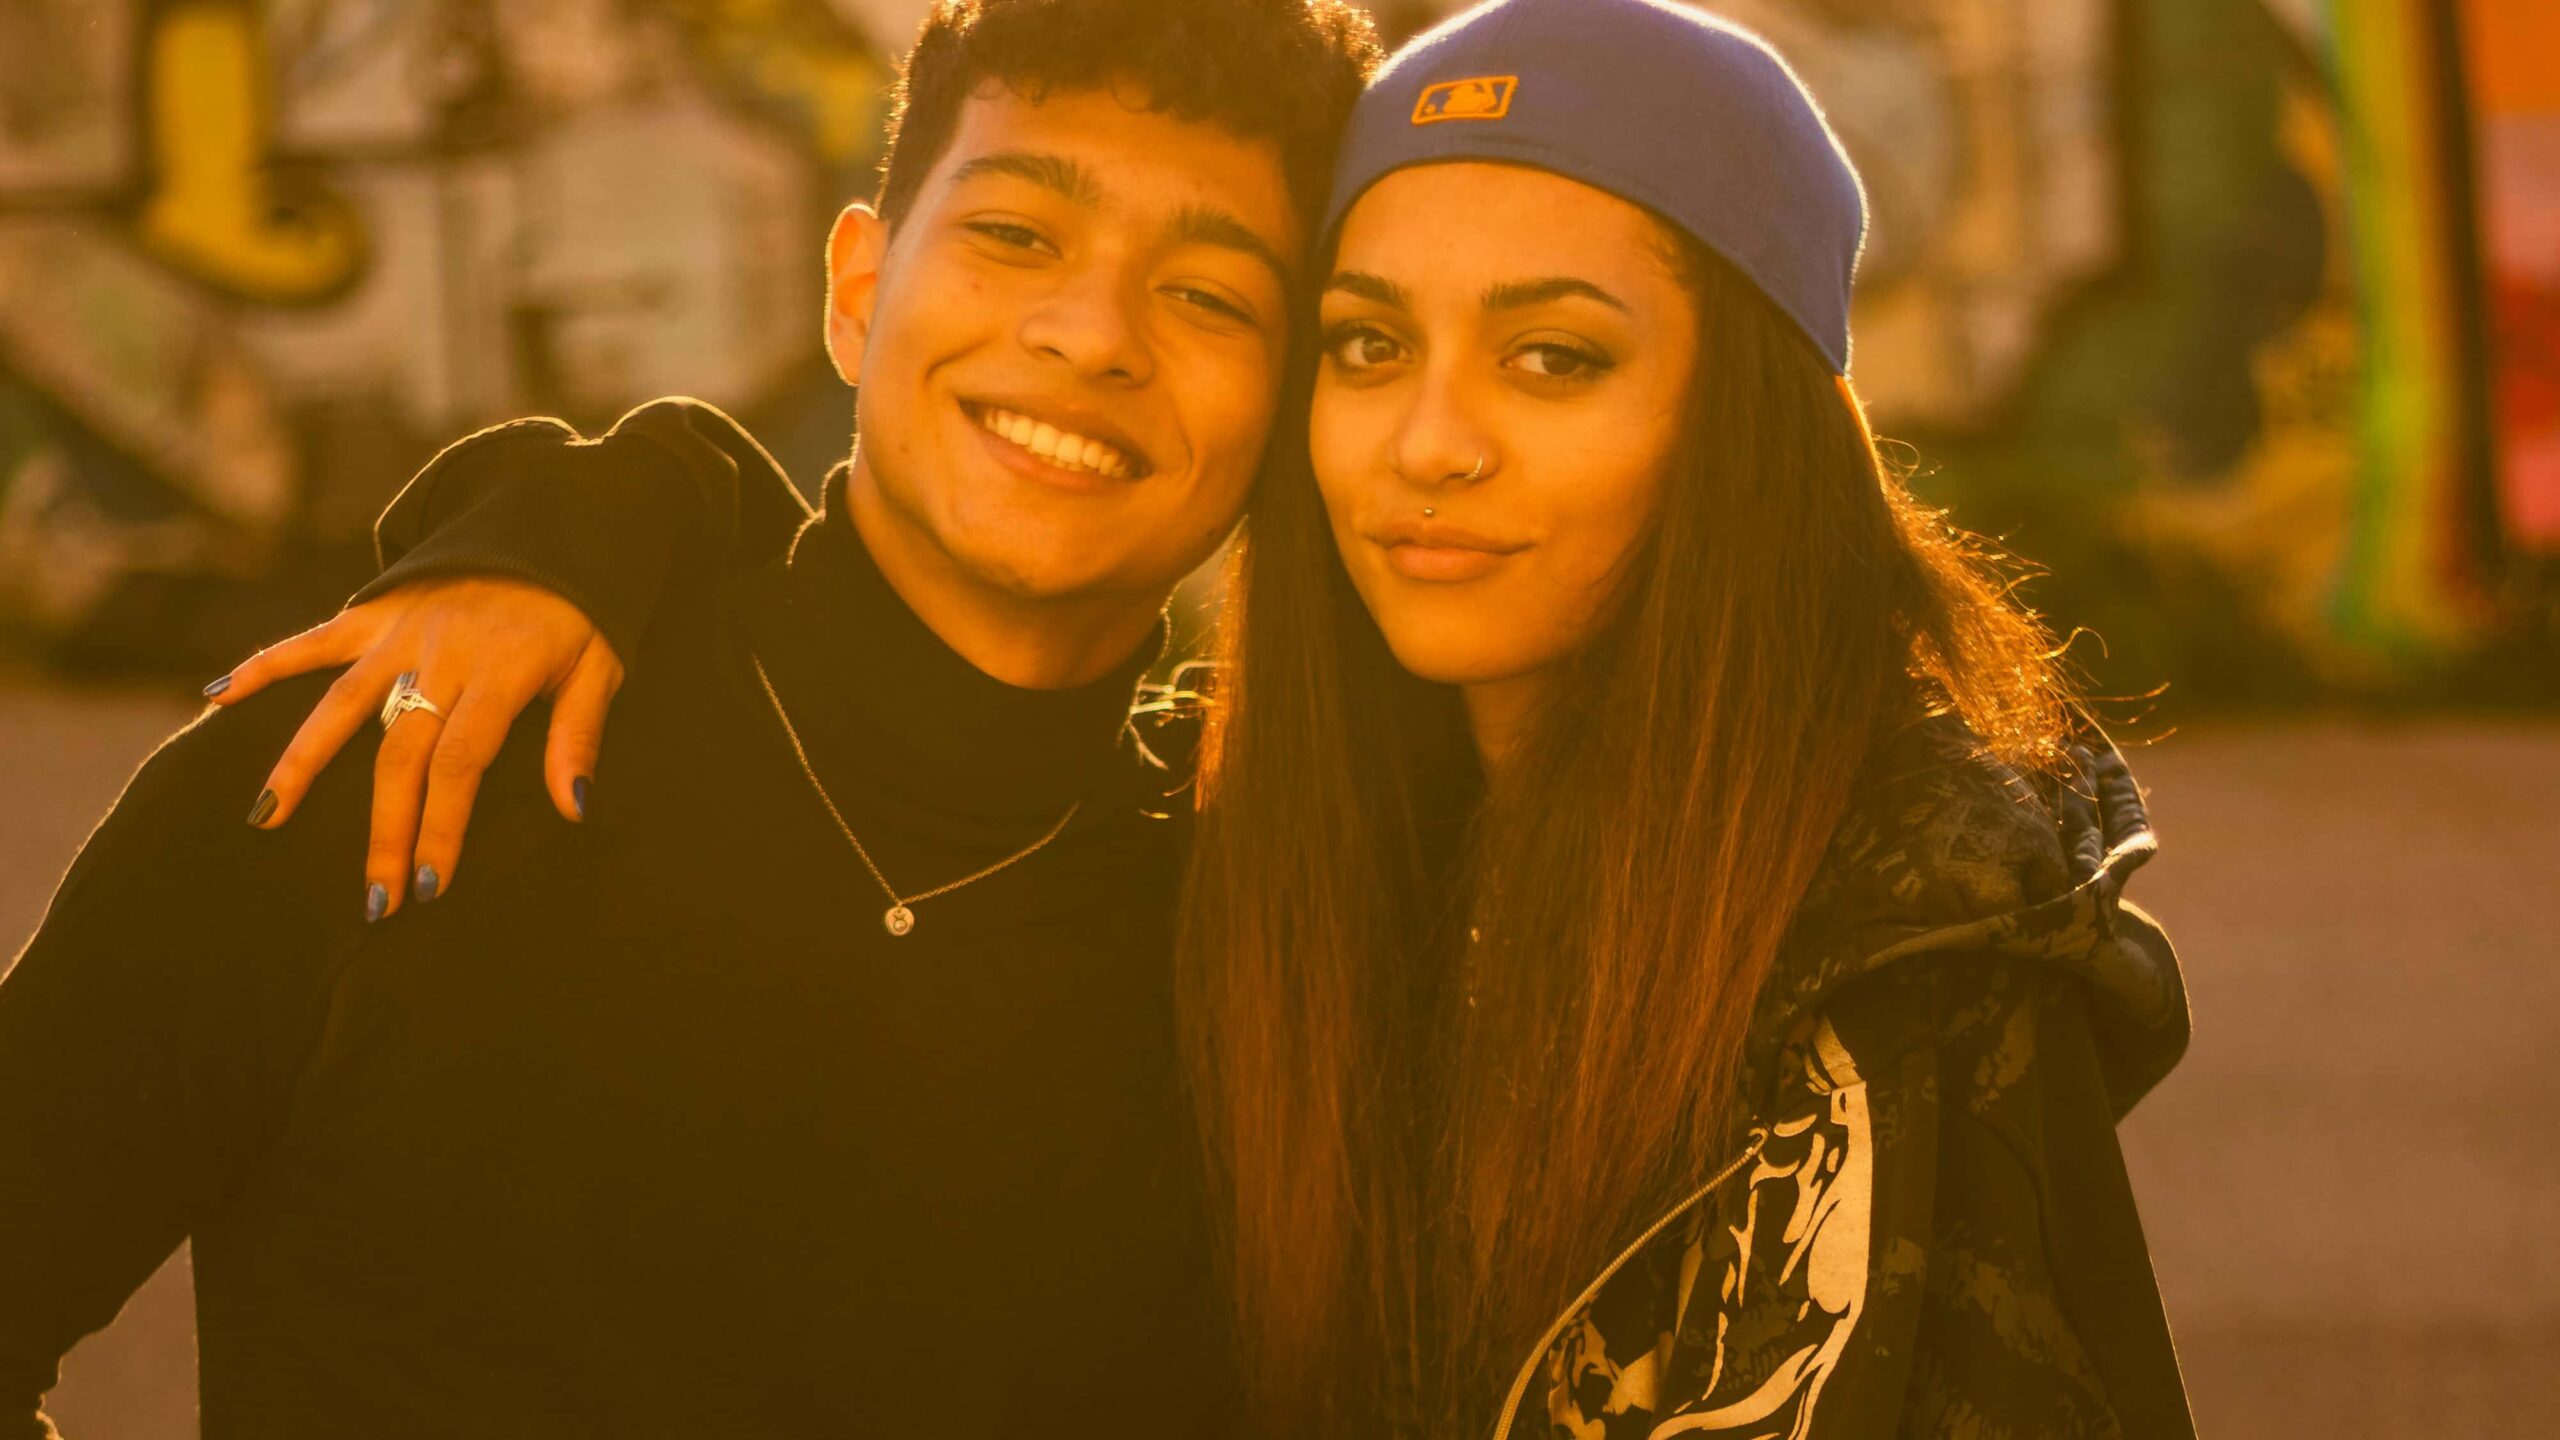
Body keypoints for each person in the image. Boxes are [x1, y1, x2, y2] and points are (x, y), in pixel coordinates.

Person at [198, 1, 2202, 1436]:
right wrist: (595, 506)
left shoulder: (1896, 974)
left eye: (1554, 357)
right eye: (1360, 343)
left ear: (1740, 433)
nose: (1427, 444)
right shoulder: (1253, 871)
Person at [0, 2, 1378, 1435]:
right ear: (856, 291)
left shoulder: (1274, 953)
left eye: (1212, 297)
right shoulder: (416, 745)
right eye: (1017, 234)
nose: (1093, 334)